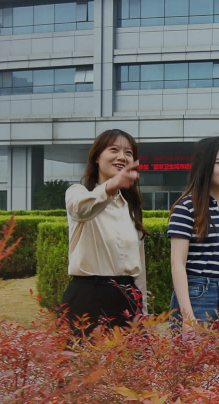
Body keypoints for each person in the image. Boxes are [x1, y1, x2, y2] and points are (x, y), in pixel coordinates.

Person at [62, 129, 148, 337]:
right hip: (88, 298)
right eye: (114, 150)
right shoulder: (78, 193)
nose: (122, 157)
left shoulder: (130, 206)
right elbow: (81, 210)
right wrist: (110, 187)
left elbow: (139, 268)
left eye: (128, 153)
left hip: (127, 299)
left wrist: (143, 309)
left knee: (134, 357)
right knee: (84, 357)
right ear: (97, 157)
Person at [168, 136, 219, 331]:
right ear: (205, 165)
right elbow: (177, 264)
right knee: (197, 352)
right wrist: (187, 317)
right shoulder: (186, 208)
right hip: (195, 295)